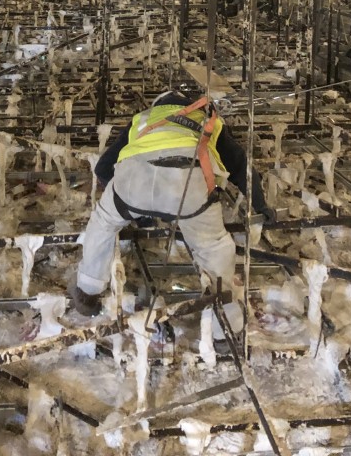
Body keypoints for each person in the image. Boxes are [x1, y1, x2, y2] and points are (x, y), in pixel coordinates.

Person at [70, 90, 272, 349]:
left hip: (134, 181)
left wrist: (133, 209)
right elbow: (241, 166)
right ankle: (226, 330)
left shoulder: (142, 119)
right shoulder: (210, 122)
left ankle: (87, 293)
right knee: (214, 249)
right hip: (189, 186)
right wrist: (261, 205)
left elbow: (102, 169)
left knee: (104, 222)